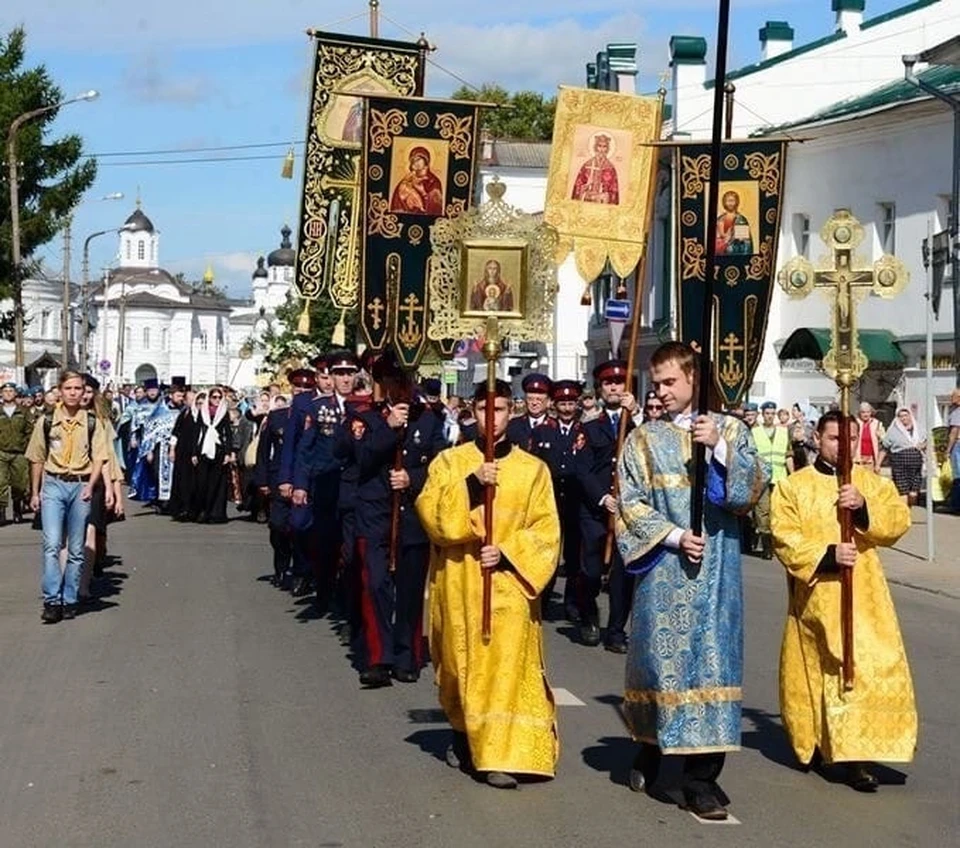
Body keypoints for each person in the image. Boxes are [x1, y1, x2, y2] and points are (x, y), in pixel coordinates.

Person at [616, 341, 766, 821]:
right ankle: (652, 749)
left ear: (693, 381)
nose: (659, 392)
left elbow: (748, 494)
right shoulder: (644, 439)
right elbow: (629, 502)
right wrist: (676, 536)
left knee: (713, 667)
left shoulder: (731, 430)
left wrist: (718, 450)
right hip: (666, 573)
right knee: (663, 669)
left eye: (668, 382)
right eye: (655, 383)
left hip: (717, 576)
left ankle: (702, 779)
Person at [415, 379, 560, 789]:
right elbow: (432, 517)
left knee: (506, 669)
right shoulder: (450, 462)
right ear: (472, 413)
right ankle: (465, 738)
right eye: (482, 410)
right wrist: (473, 483)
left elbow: (547, 530)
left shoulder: (534, 470)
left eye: (498, 410)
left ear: (511, 412)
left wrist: (508, 551)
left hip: (509, 584)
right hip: (460, 582)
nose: (490, 418)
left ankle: (498, 753)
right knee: (462, 667)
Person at [771, 410, 917, 792]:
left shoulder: (867, 482)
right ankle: (820, 743)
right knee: (821, 670)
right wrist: (828, 554)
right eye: (835, 438)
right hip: (817, 593)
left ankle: (857, 757)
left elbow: (897, 520)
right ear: (818, 438)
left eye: (850, 439)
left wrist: (864, 508)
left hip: (865, 596)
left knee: (862, 669)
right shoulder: (794, 487)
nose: (843, 446)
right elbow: (783, 536)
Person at [350, 353, 446, 687]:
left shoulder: (429, 419)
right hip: (375, 514)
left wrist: (413, 479)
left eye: (403, 380)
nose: (398, 388)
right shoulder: (365, 416)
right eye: (390, 381)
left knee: (409, 589)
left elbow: (440, 465)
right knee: (375, 584)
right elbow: (358, 458)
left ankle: (407, 655)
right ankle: (378, 656)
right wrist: (389, 430)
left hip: (412, 517)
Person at [25, 371, 111, 624]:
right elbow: (37, 457)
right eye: (68, 388)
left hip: (80, 486)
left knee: (75, 548)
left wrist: (91, 485)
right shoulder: (47, 421)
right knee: (52, 544)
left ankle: (70, 598)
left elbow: (99, 457)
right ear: (60, 391)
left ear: (84, 391)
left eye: (78, 388)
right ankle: (52, 600)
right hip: (53, 484)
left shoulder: (93, 422)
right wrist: (35, 491)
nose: (73, 393)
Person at [573, 359, 638, 651]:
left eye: (619, 383)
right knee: (590, 570)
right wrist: (602, 497)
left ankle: (615, 631)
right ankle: (588, 615)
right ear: (600, 389)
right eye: (608, 384)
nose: (614, 388)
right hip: (595, 510)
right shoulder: (588, 427)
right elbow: (582, 469)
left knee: (623, 575)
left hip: (628, 509)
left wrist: (635, 415)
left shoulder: (638, 423)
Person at [532, 379, 583, 622]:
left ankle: (572, 602)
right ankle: (542, 598)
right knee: (547, 552)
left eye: (570, 403)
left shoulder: (584, 431)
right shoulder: (542, 430)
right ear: (554, 404)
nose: (566, 408)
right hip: (549, 500)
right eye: (562, 403)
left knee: (573, 556)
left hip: (574, 500)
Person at [751, 400, 794, 559]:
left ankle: (776, 543)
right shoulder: (755, 432)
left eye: (772, 414)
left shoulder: (783, 432)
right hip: (761, 478)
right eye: (767, 414)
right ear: (762, 415)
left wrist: (793, 475)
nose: (769, 416)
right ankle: (767, 546)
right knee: (762, 511)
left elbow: (788, 455)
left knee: (777, 510)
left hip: (779, 477)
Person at [192, 387, 234, 523]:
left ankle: (212, 513)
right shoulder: (202, 412)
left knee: (215, 484)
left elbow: (228, 434)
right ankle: (201, 509)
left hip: (218, 450)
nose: (216, 400)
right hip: (203, 450)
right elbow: (196, 433)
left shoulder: (224, 413)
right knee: (202, 483)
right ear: (209, 398)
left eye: (219, 397)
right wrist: (194, 453)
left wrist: (228, 452)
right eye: (214, 397)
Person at [0, 380, 31, 525]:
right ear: (1, 394)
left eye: (11, 391)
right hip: (1, 452)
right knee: (1, 483)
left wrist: (26, 447)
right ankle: (1, 512)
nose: (8, 394)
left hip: (19, 453)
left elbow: (29, 431)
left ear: (15, 393)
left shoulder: (23, 412)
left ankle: (17, 510)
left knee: (19, 484)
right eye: (5, 391)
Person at [881, 408, 925, 506]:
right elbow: (884, 448)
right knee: (902, 491)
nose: (904, 418)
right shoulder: (893, 431)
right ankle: (905, 514)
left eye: (906, 415)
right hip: (899, 465)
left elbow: (927, 441)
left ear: (910, 416)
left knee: (913, 493)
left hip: (916, 466)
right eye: (901, 416)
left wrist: (923, 445)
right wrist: (877, 464)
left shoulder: (919, 429)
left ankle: (909, 508)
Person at [390, 146, 444, 215]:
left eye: (418, 159)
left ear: (426, 160)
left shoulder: (434, 182)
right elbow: (396, 205)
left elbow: (435, 209)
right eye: (413, 161)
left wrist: (423, 192)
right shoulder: (407, 179)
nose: (416, 162)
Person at [506, 373, 552, 452]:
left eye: (539, 400)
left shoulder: (555, 427)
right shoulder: (512, 425)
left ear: (548, 402)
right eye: (530, 399)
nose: (534, 403)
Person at [571, 133, 619, 204]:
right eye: (599, 146)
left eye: (604, 146)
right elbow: (577, 188)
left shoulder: (611, 168)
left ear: (607, 149)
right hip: (586, 202)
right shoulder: (587, 165)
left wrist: (605, 195)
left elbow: (614, 192)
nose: (601, 149)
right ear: (595, 147)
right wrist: (585, 187)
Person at [715, 189, 753, 255]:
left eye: (732, 201)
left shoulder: (740, 220)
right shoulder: (719, 219)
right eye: (728, 201)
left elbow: (746, 244)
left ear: (736, 202)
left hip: (736, 254)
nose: (730, 203)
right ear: (724, 202)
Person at [853, 402, 885, 472]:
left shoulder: (877, 423)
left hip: (872, 461)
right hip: (857, 461)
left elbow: (884, 441)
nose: (866, 414)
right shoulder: (854, 423)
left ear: (871, 412)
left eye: (868, 412)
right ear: (859, 413)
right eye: (863, 412)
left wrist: (880, 436)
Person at [948, 388, 960, 512]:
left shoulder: (957, 412)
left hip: (958, 446)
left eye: (953, 396)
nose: (951, 398)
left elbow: (954, 432)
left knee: (958, 476)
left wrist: (948, 450)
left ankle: (956, 505)